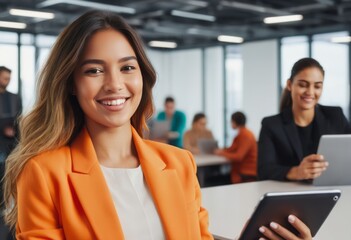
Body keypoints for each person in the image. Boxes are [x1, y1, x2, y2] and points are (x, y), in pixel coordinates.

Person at [3, 11, 313, 240]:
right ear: (70, 83)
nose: (115, 84)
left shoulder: (178, 163)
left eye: (127, 67)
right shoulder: (43, 172)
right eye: (94, 70)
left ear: (143, 77)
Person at [258, 57, 351, 181]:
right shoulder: (271, 125)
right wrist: (296, 172)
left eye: (317, 86)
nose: (310, 92)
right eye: (303, 85)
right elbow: (264, 170)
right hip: (289, 194)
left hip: (333, 189)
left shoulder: (335, 116)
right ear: (290, 85)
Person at [214, 111, 257, 184]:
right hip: (241, 171)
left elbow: (238, 156)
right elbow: (231, 149)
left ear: (234, 122)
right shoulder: (241, 134)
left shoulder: (246, 135)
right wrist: (222, 151)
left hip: (246, 173)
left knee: (213, 181)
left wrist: (221, 153)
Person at [0, 66, 22, 162]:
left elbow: (19, 116)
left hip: (13, 139)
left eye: (9, 78)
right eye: (5, 78)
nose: (7, 81)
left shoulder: (15, 97)